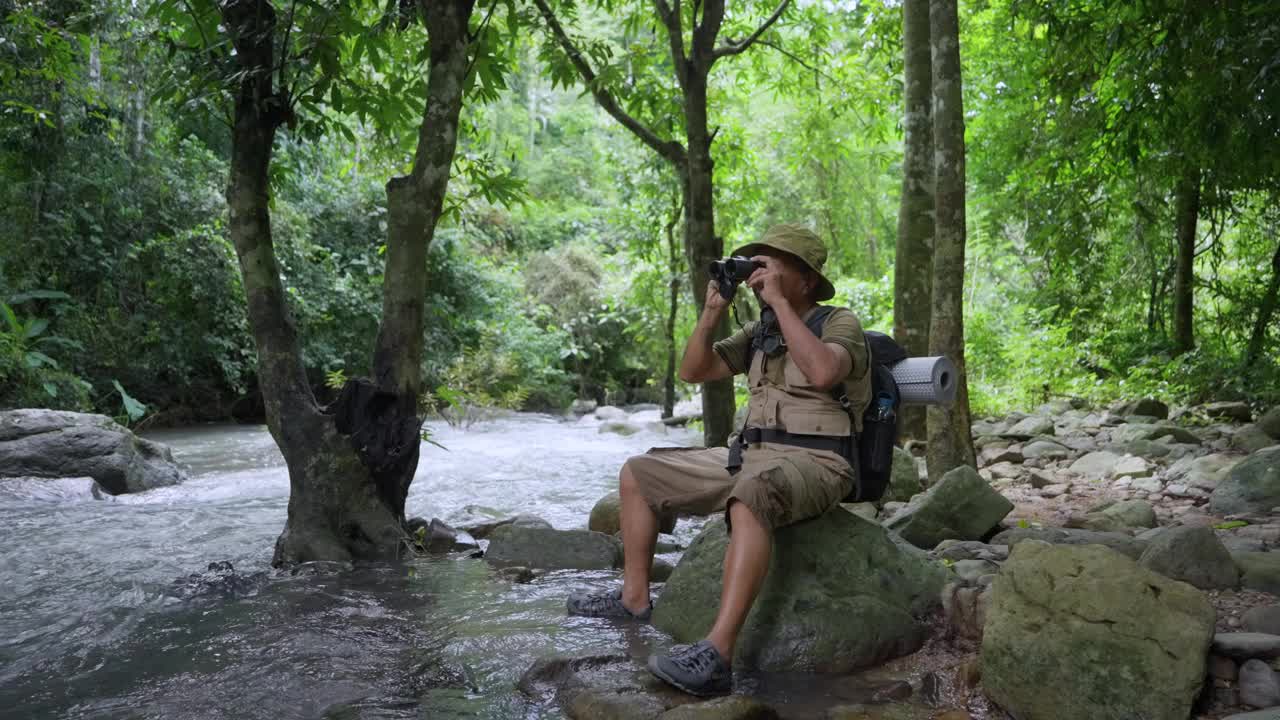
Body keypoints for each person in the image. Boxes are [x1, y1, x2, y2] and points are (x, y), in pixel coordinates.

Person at [565, 224, 873, 697]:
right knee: (638, 474)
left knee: (749, 495)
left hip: (819, 460)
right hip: (749, 455)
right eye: (756, 262)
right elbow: (695, 370)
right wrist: (712, 313)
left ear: (806, 279)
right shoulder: (759, 331)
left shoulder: (838, 322)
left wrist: (782, 307)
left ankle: (718, 654)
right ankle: (634, 598)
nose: (758, 272)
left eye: (771, 263)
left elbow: (824, 370)